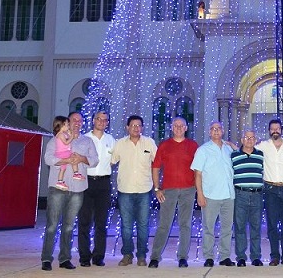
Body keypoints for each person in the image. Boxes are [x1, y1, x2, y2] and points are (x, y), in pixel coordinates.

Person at [41, 112, 98, 271]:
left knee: (68, 226)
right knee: (52, 225)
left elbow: (94, 160)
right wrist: (66, 160)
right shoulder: (56, 139)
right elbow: (48, 159)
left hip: (78, 189)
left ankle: (65, 258)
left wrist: (81, 159)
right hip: (58, 187)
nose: (77, 123)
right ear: (68, 122)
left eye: (80, 121)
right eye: (74, 120)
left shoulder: (87, 141)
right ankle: (46, 258)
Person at [149, 116, 198, 269]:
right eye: (175, 125)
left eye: (181, 125)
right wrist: (156, 188)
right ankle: (155, 257)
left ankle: (182, 257)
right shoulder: (164, 145)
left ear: (186, 128)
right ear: (171, 127)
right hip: (168, 191)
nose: (178, 128)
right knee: (164, 224)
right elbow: (156, 167)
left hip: (188, 190)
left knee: (185, 224)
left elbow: (198, 169)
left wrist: (197, 189)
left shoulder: (193, 145)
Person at [111, 115, 157, 266]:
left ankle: (142, 255)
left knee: (143, 225)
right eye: (133, 125)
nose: (136, 128)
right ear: (127, 127)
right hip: (125, 190)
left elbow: (157, 163)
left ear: (142, 128)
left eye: (139, 126)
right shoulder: (119, 144)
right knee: (126, 225)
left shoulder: (149, 143)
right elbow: (110, 162)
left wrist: (158, 186)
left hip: (144, 190)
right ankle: (127, 254)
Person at [191, 121, 236, 268]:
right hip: (210, 196)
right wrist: (200, 194)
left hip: (228, 195)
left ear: (222, 131)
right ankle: (209, 256)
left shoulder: (229, 149)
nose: (216, 131)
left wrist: (235, 146)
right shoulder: (203, 150)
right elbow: (198, 174)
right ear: (209, 132)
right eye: (213, 129)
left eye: (218, 129)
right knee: (208, 228)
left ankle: (224, 257)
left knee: (227, 229)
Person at [256, 118, 283, 266]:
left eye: (278, 128)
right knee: (272, 224)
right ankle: (274, 256)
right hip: (270, 189)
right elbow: (247, 149)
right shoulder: (262, 146)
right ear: (269, 130)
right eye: (272, 128)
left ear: (281, 130)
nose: (275, 131)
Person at [77, 111, 115, 267]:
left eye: (105, 120)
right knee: (84, 221)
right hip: (86, 182)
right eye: (99, 119)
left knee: (101, 222)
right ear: (93, 120)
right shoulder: (84, 139)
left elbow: (113, 160)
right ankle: (84, 257)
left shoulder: (111, 140)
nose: (101, 122)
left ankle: (98, 256)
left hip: (104, 184)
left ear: (107, 123)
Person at [231, 128, 265, 267]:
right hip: (240, 195)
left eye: (252, 138)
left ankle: (256, 257)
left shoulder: (261, 155)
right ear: (242, 140)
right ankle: (241, 257)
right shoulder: (234, 155)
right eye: (246, 137)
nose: (249, 140)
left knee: (256, 227)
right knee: (239, 227)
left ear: (255, 140)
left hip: (257, 194)